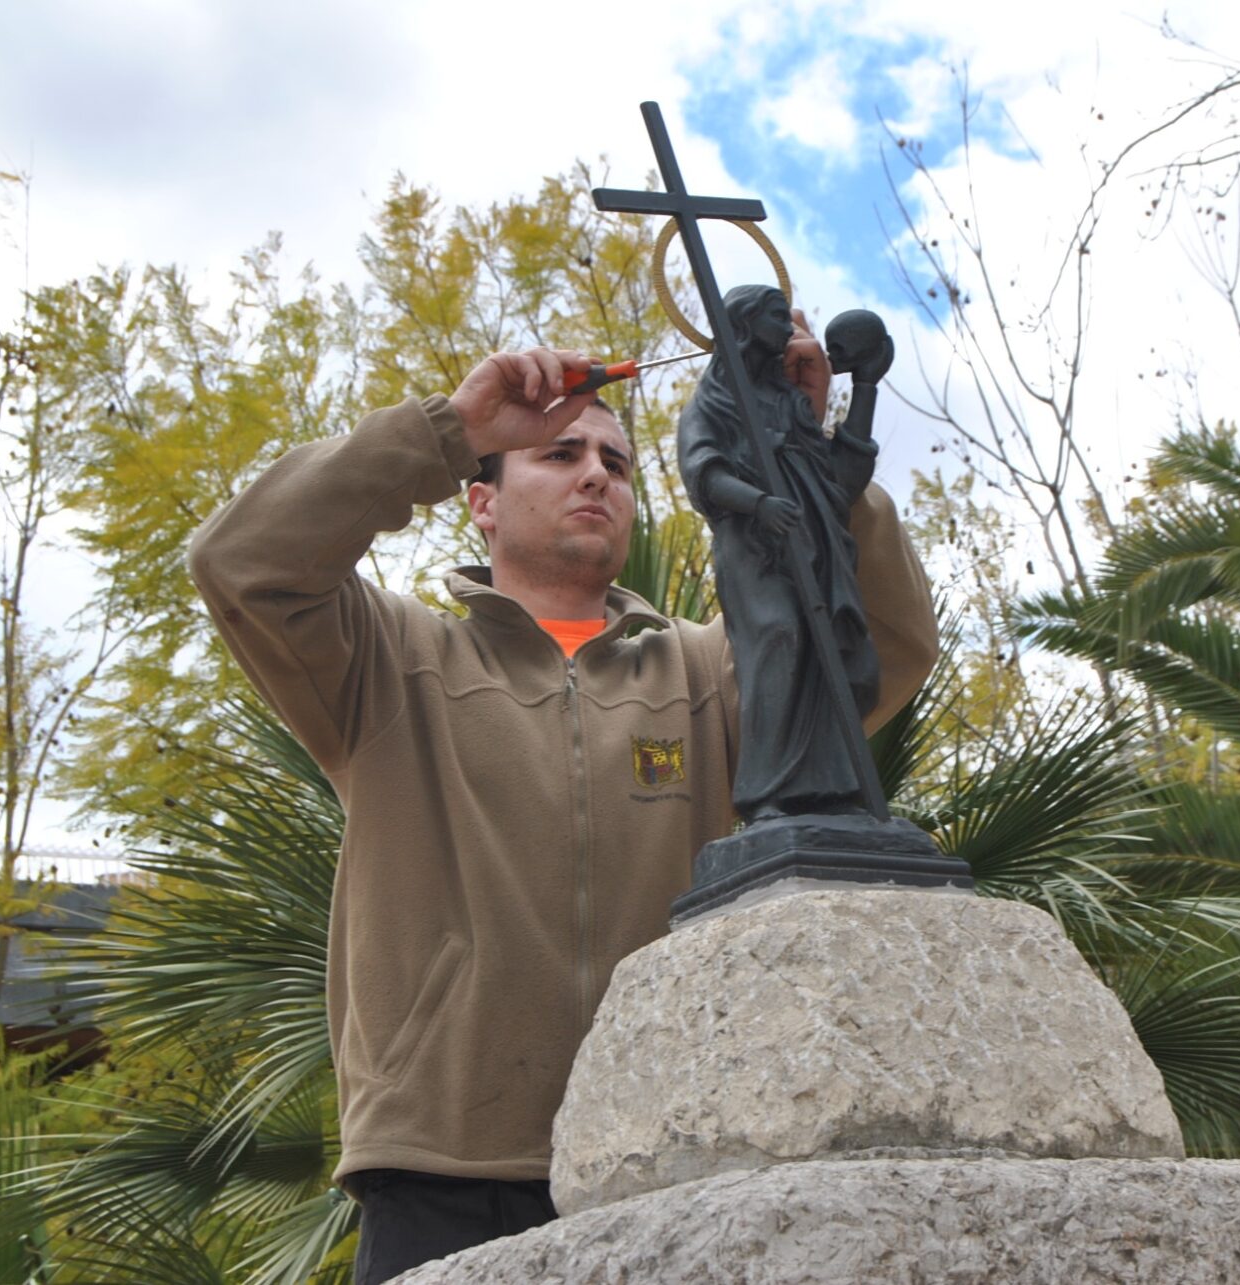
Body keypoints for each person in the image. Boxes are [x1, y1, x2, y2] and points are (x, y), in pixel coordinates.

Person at [186, 319, 936, 1285]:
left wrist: (806, 447)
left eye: (617, 464)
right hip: (442, 1174)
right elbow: (242, 561)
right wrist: (451, 428)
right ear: (482, 503)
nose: (595, 476)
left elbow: (880, 645)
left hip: (670, 1161)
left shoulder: (706, 673)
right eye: (559, 453)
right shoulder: (390, 659)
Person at [677, 285, 883, 820]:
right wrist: (759, 503)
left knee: (841, 657)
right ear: (744, 326)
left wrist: (865, 387)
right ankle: (765, 792)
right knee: (780, 639)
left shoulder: (790, 403)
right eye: (775, 315)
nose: (788, 327)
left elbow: (839, 481)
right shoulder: (715, 402)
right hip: (756, 551)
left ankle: (835, 792)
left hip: (815, 545)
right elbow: (703, 472)